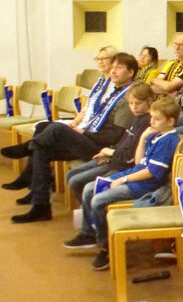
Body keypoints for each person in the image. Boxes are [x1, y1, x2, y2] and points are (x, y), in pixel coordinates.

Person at [7, 52, 138, 223]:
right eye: (112, 67)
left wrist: (84, 133)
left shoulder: (128, 97)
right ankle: (41, 205)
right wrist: (81, 129)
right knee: (42, 141)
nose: (113, 72)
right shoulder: (113, 90)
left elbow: (115, 136)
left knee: (56, 129)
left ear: (131, 72)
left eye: (118, 68)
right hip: (90, 138)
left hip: (102, 148)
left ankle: (27, 149)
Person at [69, 98, 182, 271]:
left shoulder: (168, 140)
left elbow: (152, 172)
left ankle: (106, 248)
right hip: (134, 176)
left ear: (170, 121)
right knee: (88, 189)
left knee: (98, 200)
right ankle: (91, 234)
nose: (151, 122)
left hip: (144, 185)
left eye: (157, 119)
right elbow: (139, 162)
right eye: (151, 117)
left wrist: (123, 180)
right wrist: (143, 138)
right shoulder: (156, 135)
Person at [63, 82, 154, 208]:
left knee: (80, 184)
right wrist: (109, 153)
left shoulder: (147, 122)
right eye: (131, 103)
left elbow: (130, 157)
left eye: (138, 103)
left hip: (122, 166)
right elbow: (123, 143)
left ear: (149, 101)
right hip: (114, 158)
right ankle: (87, 211)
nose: (134, 107)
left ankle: (91, 219)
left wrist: (109, 152)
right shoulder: (135, 117)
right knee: (70, 176)